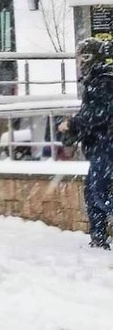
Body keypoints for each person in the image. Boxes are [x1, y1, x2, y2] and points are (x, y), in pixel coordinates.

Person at [58, 37, 113, 249]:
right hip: (100, 145)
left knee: (99, 193)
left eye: (82, 58)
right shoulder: (95, 81)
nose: (79, 64)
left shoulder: (103, 81)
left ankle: (99, 236)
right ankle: (98, 238)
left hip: (106, 146)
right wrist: (74, 131)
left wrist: (73, 123)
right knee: (93, 193)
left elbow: (98, 114)